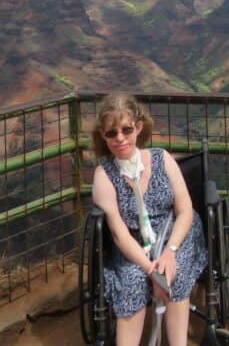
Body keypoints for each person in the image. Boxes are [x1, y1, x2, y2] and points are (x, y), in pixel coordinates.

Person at [91, 93, 208, 346]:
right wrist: (149, 270)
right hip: (133, 243)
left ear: (139, 127)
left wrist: (169, 253)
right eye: (112, 133)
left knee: (172, 271)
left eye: (126, 129)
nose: (120, 138)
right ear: (103, 135)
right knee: (133, 281)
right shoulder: (104, 176)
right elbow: (119, 235)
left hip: (176, 232)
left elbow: (185, 210)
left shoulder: (161, 158)